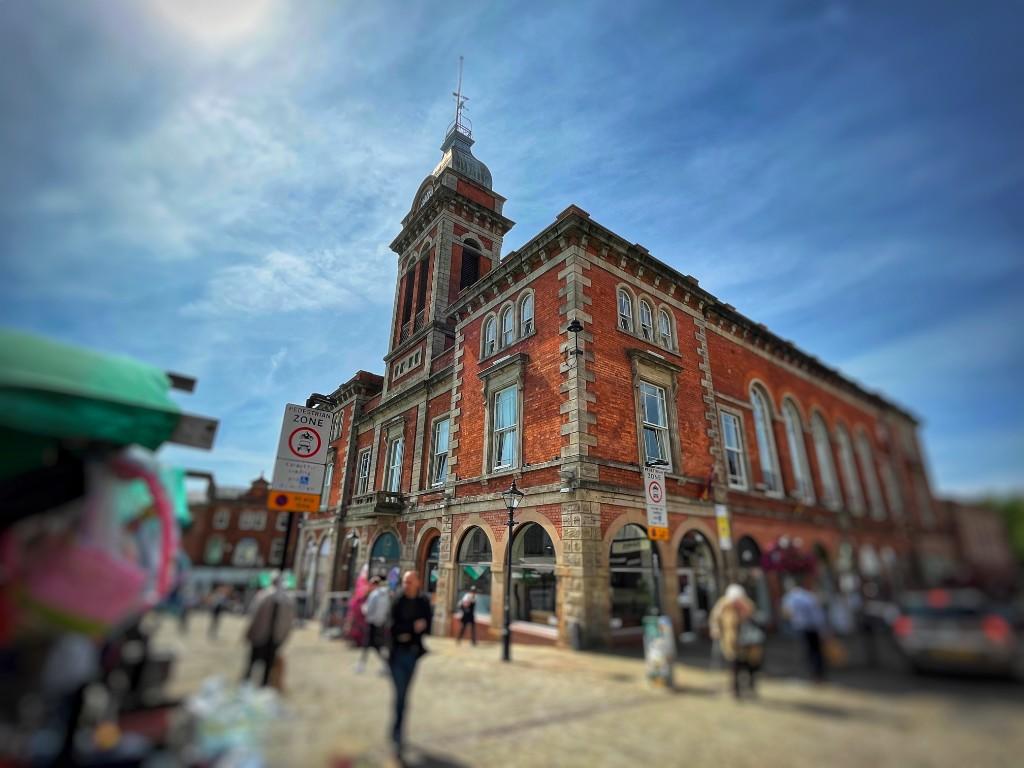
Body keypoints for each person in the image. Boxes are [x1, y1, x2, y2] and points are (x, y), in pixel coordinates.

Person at [387, 571, 432, 759]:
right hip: (397, 652)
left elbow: (428, 625)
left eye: (409, 581)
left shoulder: (423, 602)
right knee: (400, 693)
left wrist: (420, 627)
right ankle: (397, 732)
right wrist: (412, 627)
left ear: (418, 583)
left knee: (405, 692)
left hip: (413, 652)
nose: (406, 584)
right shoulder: (397, 601)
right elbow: (390, 627)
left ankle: (397, 729)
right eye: (404, 581)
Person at [242, 572, 297, 687]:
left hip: (260, 636)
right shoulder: (288, 599)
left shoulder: (264, 595)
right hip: (276, 638)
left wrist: (248, 633)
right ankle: (263, 686)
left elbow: (254, 616)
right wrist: (283, 637)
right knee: (268, 667)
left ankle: (246, 687)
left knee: (252, 664)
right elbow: (290, 623)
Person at [710, 583, 764, 698]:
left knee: (750, 665)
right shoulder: (723, 604)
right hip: (732, 640)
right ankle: (735, 689)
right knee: (734, 665)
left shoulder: (746, 604)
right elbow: (715, 617)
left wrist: (744, 609)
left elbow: (754, 617)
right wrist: (715, 628)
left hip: (749, 641)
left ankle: (750, 686)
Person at [782, 578, 828, 681]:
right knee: (816, 650)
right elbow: (817, 612)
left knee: (806, 650)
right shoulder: (808, 595)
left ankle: (810, 672)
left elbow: (786, 612)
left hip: (800, 627)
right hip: (814, 626)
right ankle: (818, 673)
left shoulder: (790, 597)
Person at [356, 576, 391, 673]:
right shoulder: (385, 595)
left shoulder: (374, 595)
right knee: (375, 646)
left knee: (370, 645)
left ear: (374, 584)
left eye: (371, 584)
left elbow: (369, 610)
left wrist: (364, 608)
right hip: (380, 623)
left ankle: (361, 666)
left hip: (371, 623)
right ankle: (384, 665)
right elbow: (386, 610)